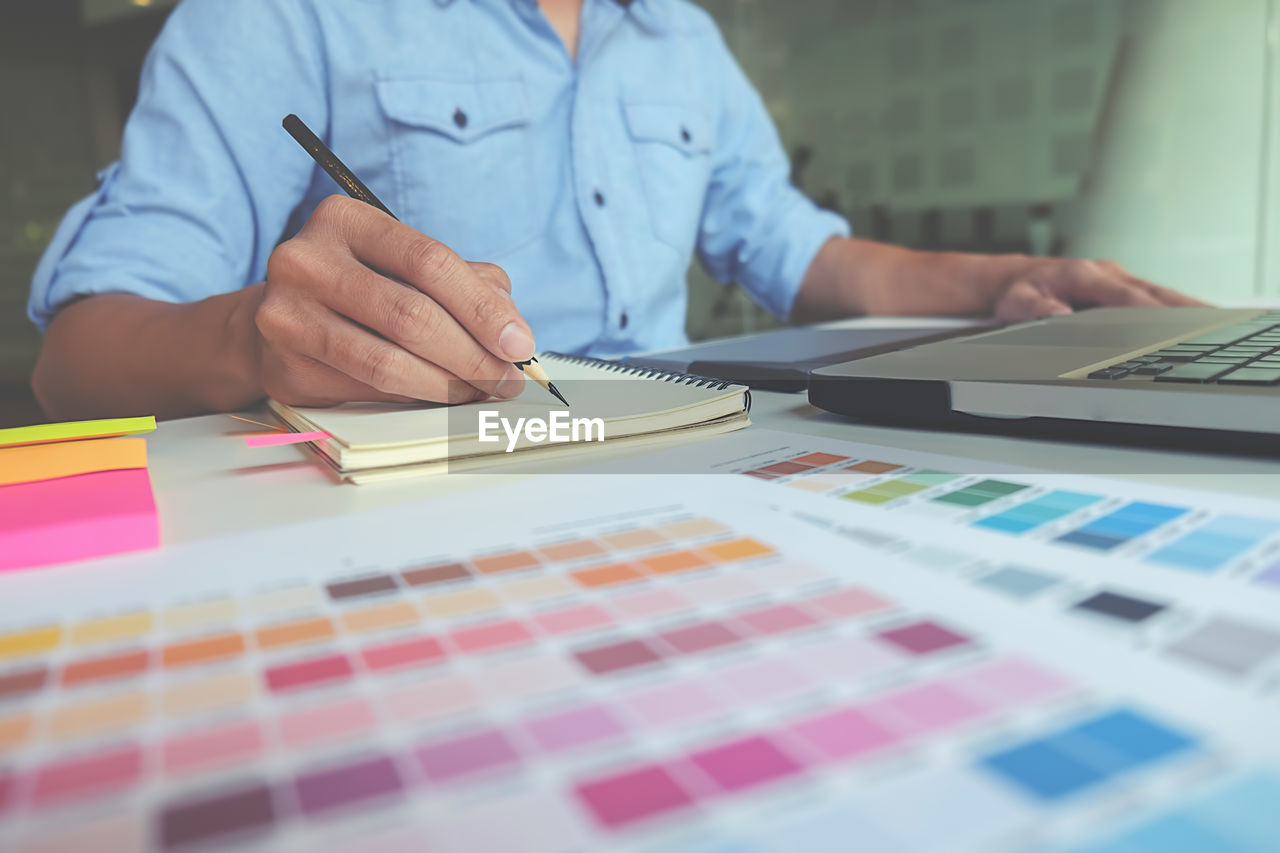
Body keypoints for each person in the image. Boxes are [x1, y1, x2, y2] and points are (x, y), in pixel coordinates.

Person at [27, 0, 1203, 421]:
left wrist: (992, 287)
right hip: (419, 512)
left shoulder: (679, 37)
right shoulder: (278, 16)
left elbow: (797, 249)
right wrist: (251, 336)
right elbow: (75, 364)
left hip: (687, 469)